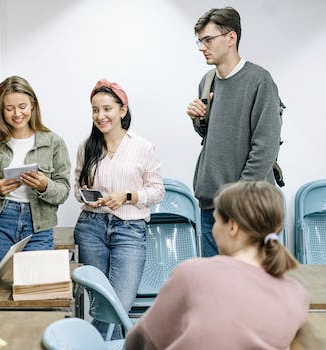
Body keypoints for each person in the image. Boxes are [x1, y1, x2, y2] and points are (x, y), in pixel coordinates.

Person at [125, 181, 308, 350]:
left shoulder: (193, 273)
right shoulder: (297, 295)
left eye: (216, 221)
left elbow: (141, 340)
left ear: (232, 227)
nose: (213, 229)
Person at [186, 7, 282, 257]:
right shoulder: (206, 81)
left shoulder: (260, 81)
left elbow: (265, 147)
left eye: (208, 39)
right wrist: (200, 120)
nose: (202, 46)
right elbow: (214, 136)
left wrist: (237, 198)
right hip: (211, 206)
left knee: (251, 288)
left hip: (248, 207)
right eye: (200, 40)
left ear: (231, 38)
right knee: (214, 288)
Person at [74, 79, 165, 339]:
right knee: (101, 304)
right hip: (91, 228)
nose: (100, 116)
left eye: (107, 109)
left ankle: (90, 344)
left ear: (122, 110)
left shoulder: (142, 147)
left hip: (130, 230)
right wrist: (87, 198)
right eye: (95, 110)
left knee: (119, 305)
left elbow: (157, 191)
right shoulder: (86, 147)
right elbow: (76, 189)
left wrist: (127, 196)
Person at [0, 75, 71, 263]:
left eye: (22, 106)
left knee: (35, 287)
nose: (17, 114)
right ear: (1, 110)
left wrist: (45, 186)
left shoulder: (53, 142)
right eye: (9, 108)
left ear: (33, 105)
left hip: (39, 226)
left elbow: (63, 191)